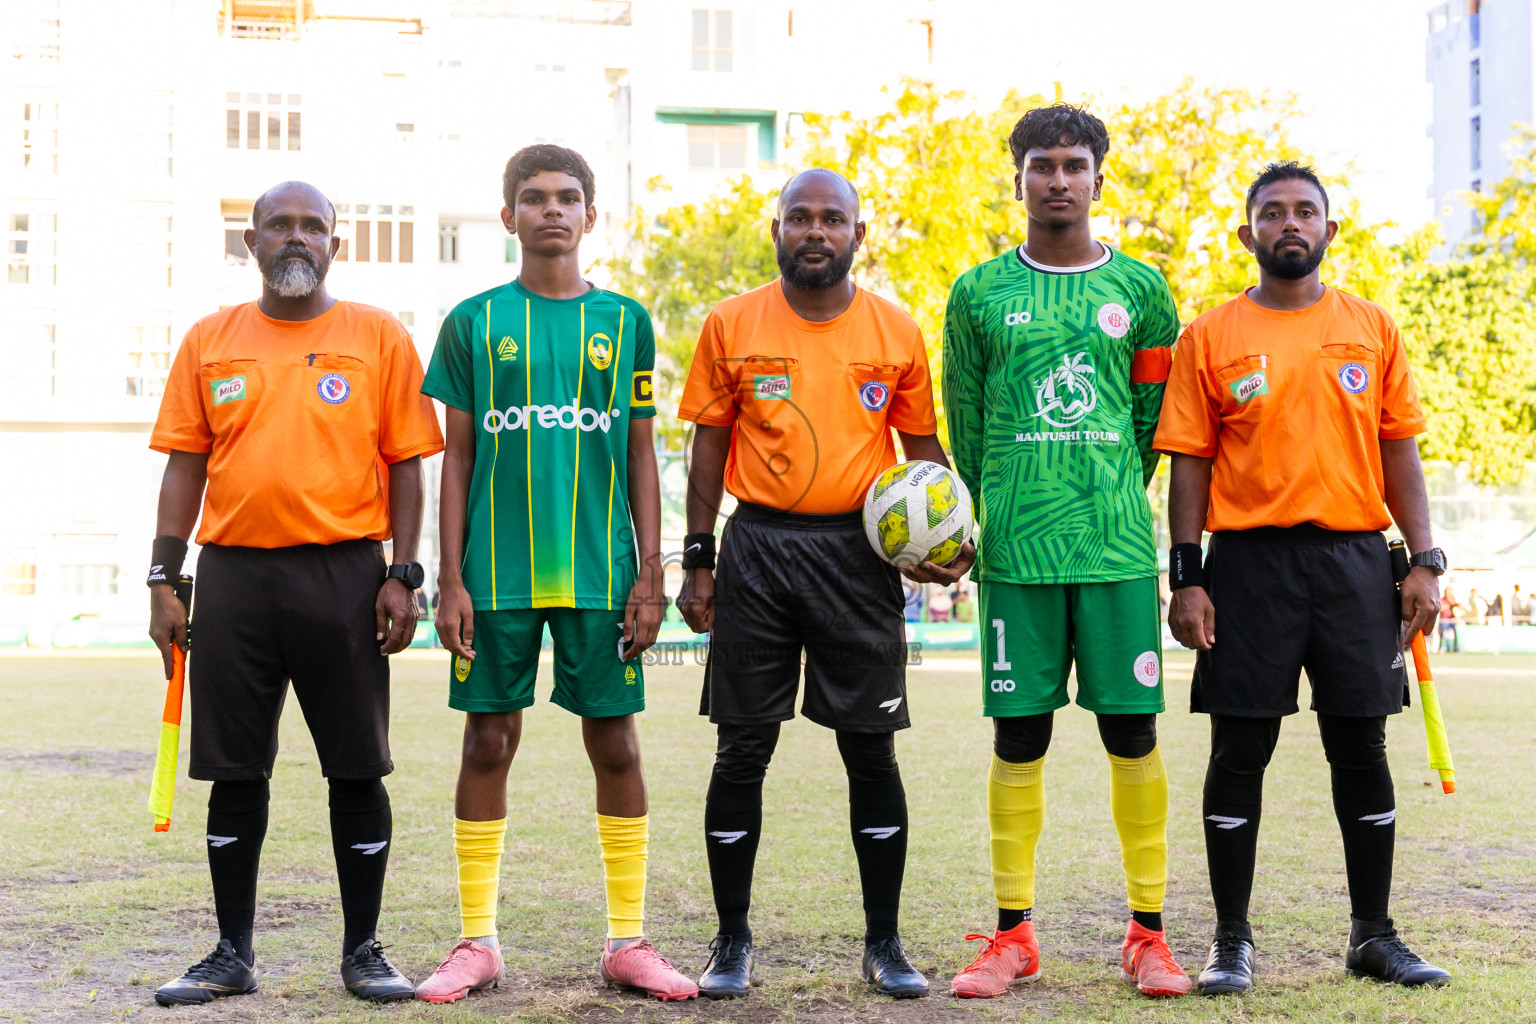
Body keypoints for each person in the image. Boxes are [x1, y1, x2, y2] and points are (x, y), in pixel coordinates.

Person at [676, 168, 974, 1000]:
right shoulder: (732, 322)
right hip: (759, 547)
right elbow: (707, 447)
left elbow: (922, 455)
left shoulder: (896, 331)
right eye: (799, 218)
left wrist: (956, 544)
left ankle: (884, 944)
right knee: (742, 748)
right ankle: (731, 942)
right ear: (777, 231)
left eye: (831, 219)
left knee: (870, 751)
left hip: (858, 556)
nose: (815, 231)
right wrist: (698, 558)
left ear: (858, 234)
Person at [1157, 161, 1452, 994]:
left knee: (1360, 743)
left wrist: (1424, 558)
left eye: (1306, 212)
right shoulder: (1209, 336)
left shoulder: (1370, 328)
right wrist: (1187, 575)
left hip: (1356, 563)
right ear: (1247, 234)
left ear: (1330, 229)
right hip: (1249, 565)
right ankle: (1230, 941)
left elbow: (1402, 451)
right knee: (1240, 745)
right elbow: (1189, 462)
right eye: (1273, 213)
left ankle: (1373, 935)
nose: (1290, 223)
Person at [147, 181, 443, 1005]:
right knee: (235, 771)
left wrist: (402, 574)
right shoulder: (210, 339)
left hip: (344, 574)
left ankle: (364, 952)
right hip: (235, 576)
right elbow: (184, 464)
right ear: (251, 243)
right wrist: (164, 578)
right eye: (280, 224)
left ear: (335, 247)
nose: (297, 237)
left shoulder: (377, 336)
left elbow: (407, 463)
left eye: (315, 226)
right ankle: (230, 954)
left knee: (356, 769)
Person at [414, 145, 697, 1003]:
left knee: (615, 741)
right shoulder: (471, 321)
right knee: (487, 740)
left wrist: (651, 573)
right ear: (507, 217)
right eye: (532, 198)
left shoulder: (626, 322)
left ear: (590, 215)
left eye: (566, 198)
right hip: (494, 574)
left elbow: (643, 455)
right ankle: (477, 943)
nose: (550, 211)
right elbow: (456, 457)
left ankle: (627, 940)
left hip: (600, 573)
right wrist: (450, 578)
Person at [941, 104, 1190, 1000]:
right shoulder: (976, 294)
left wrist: (1108, 487)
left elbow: (1156, 421)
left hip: (1116, 545)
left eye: (1073, 164)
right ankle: (1011, 937)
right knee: (1020, 737)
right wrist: (987, 515)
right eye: (1040, 164)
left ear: (1096, 176)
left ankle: (1148, 936)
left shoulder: (1146, 291)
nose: (1057, 178)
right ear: (1017, 177)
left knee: (1133, 733)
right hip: (1017, 553)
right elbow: (965, 425)